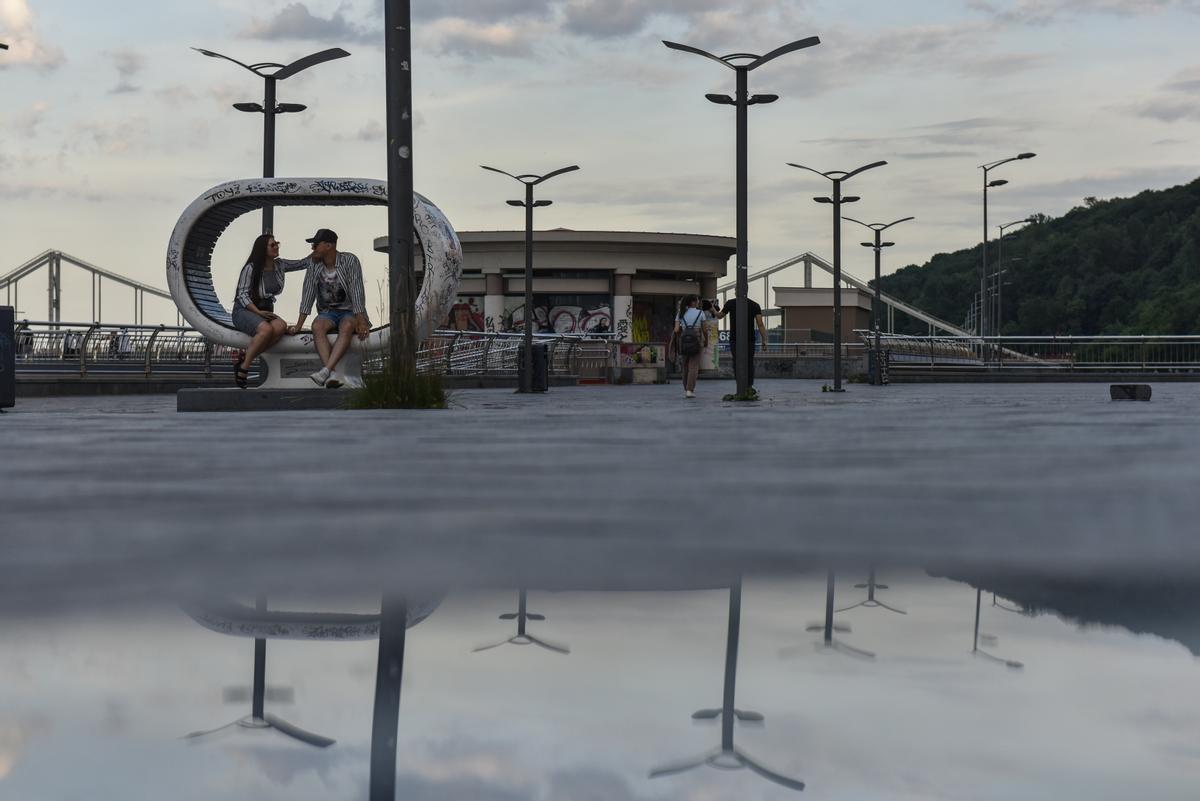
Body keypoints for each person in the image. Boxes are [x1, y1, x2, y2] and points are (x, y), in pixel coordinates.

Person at [286, 228, 370, 388]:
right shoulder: (313, 264)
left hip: (350, 311)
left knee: (346, 326)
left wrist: (361, 321)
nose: (312, 249)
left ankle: (327, 371)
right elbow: (308, 294)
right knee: (317, 326)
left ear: (329, 245)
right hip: (328, 313)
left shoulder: (349, 260)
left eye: (316, 245)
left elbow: (357, 291)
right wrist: (298, 325)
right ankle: (331, 373)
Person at [230, 234, 293, 388]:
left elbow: (303, 263)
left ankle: (244, 360)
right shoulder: (250, 268)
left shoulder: (280, 265)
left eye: (277, 243)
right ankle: (244, 368)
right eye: (272, 245)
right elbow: (242, 295)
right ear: (262, 249)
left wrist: (319, 252)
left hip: (265, 310)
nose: (276, 246)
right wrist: (258, 313)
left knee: (280, 326)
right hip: (245, 309)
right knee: (266, 330)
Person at [714, 296, 768, 392]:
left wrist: (711, 308)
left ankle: (739, 384)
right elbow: (760, 324)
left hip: (735, 339)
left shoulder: (730, 303)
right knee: (749, 362)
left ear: (736, 291)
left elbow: (719, 316)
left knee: (736, 362)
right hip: (750, 339)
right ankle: (749, 386)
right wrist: (764, 340)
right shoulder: (754, 305)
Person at [673, 295, 709, 399]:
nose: (698, 302)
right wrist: (706, 341)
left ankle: (686, 388)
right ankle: (690, 390)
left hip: (683, 340)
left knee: (685, 365)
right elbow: (705, 330)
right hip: (696, 339)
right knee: (693, 366)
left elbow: (676, 330)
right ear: (693, 302)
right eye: (697, 300)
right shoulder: (700, 313)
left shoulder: (680, 313)